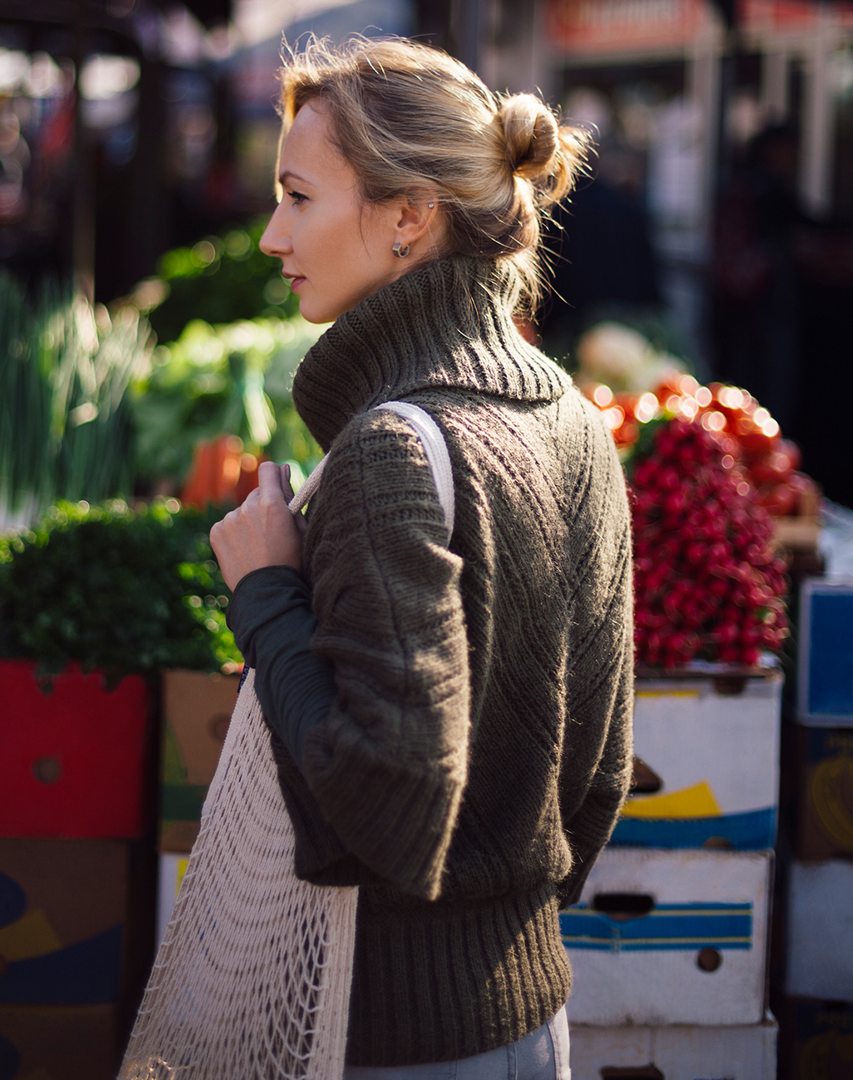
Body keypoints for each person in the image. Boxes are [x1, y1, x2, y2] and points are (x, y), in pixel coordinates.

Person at [209, 36, 634, 1080]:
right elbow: (604, 770)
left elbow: (390, 804)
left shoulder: (392, 449)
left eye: (299, 197)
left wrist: (264, 592)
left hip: (383, 1037)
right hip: (529, 1017)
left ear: (409, 216)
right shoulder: (575, 421)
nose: (273, 235)